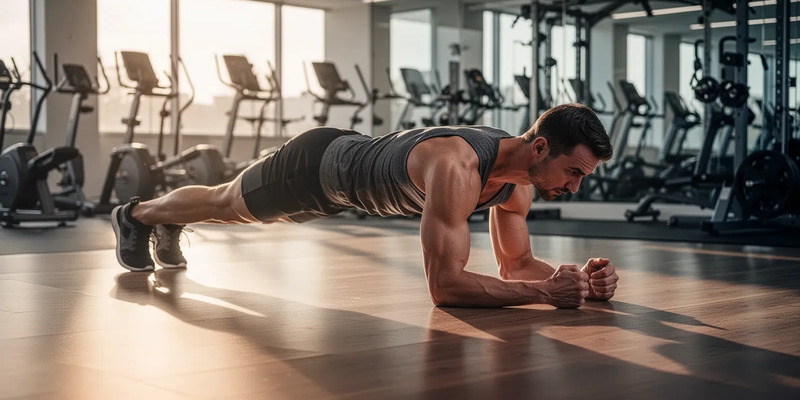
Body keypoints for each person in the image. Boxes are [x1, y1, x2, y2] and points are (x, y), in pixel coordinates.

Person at [112, 103, 619, 308]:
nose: (573, 187)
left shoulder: (518, 187)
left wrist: (575, 283)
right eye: (573, 172)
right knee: (226, 204)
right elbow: (444, 287)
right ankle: (136, 214)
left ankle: (161, 223)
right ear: (539, 148)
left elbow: (519, 266)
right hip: (316, 167)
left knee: (229, 204)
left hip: (345, 190)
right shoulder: (458, 165)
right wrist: (545, 295)